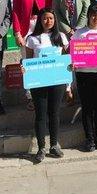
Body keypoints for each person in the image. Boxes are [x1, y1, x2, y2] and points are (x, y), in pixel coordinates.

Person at [23, 8, 69, 162]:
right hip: (39, 82)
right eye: (44, 18)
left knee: (54, 113)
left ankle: (54, 145)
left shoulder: (61, 37)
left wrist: (68, 85)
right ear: (39, 20)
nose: (48, 21)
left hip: (57, 81)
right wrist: (24, 71)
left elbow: (66, 61)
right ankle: (41, 147)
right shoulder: (32, 38)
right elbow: (27, 62)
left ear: (55, 20)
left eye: (50, 18)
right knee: (41, 115)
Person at [12, 0, 53, 111]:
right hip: (26, 29)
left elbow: (50, 9)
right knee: (27, 62)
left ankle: (46, 91)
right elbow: (15, 12)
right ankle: (30, 95)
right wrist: (17, 33)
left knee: (44, 59)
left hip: (43, 27)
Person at [72, 5, 97, 152]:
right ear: (88, 16)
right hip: (84, 75)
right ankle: (89, 139)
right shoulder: (79, 33)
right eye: (93, 15)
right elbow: (73, 54)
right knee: (87, 108)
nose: (96, 18)